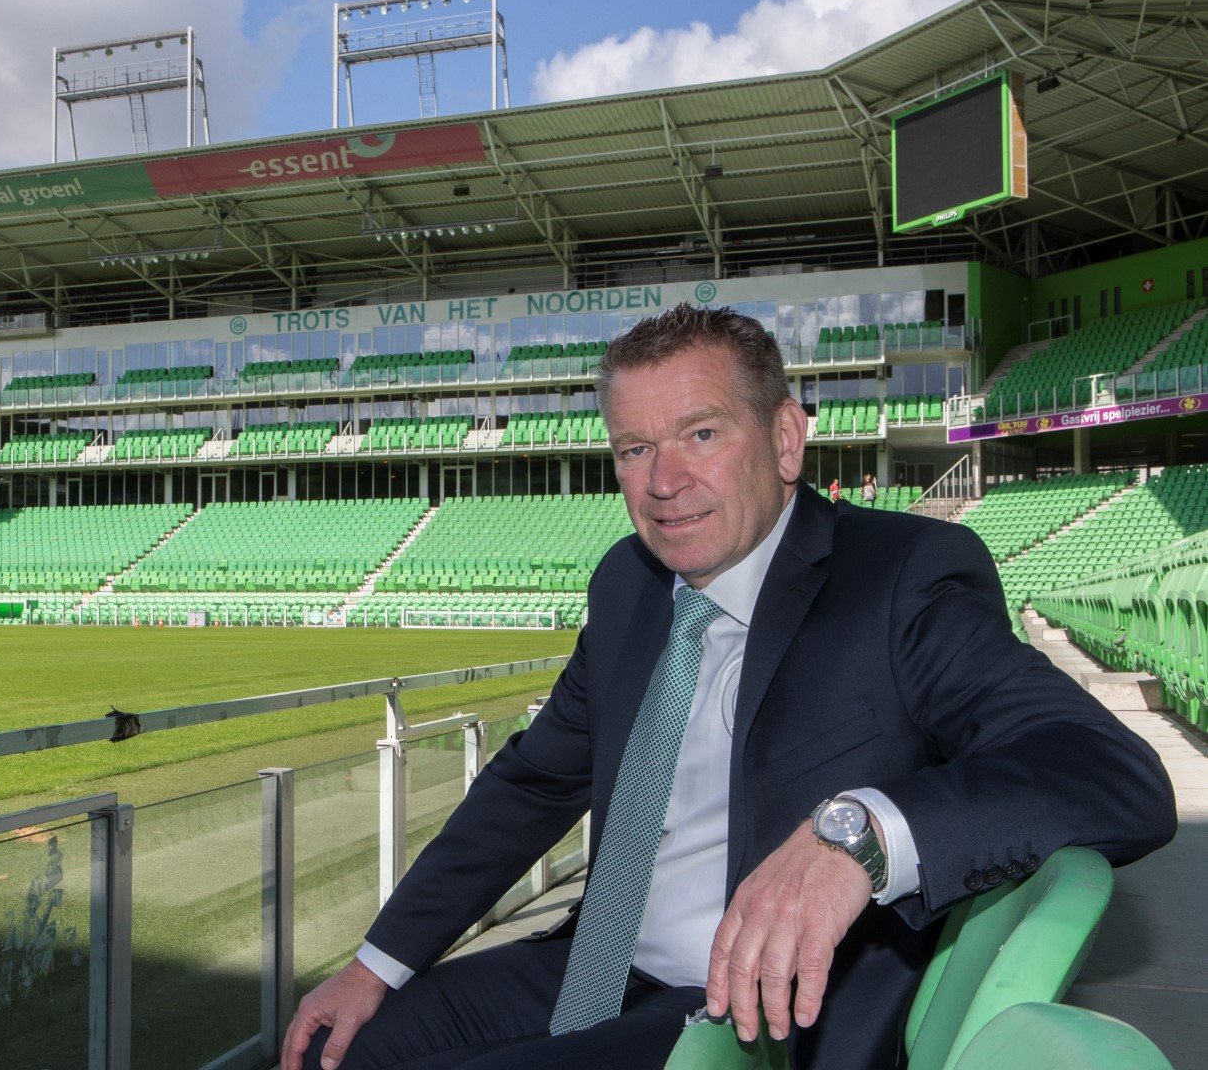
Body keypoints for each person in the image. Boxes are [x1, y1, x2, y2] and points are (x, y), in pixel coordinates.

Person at [283, 304, 1175, 1070]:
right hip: (593, 968)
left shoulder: (899, 577)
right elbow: (531, 783)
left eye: (701, 434)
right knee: (339, 1050)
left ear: (784, 439)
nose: (663, 483)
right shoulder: (627, 584)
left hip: (750, 1017)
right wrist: (375, 964)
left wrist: (860, 836)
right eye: (634, 449)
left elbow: (1107, 772)